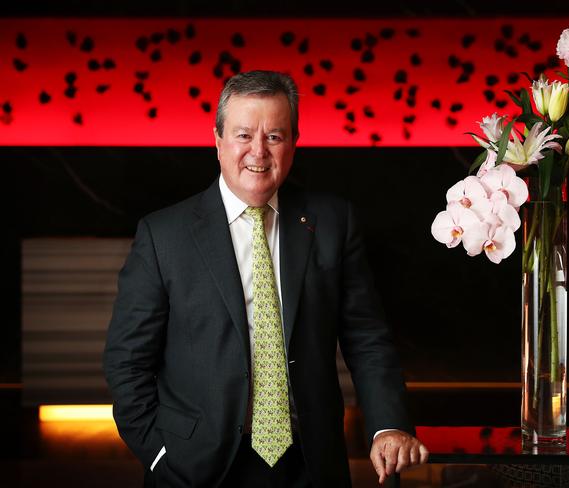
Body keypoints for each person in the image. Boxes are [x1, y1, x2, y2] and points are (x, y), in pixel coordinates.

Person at [103, 70, 428, 487]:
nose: (258, 151)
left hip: (310, 462)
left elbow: (367, 339)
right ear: (218, 140)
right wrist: (160, 452)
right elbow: (127, 360)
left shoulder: (332, 222)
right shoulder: (163, 234)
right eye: (243, 135)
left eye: (274, 136)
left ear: (292, 143)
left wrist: (387, 425)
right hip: (194, 468)